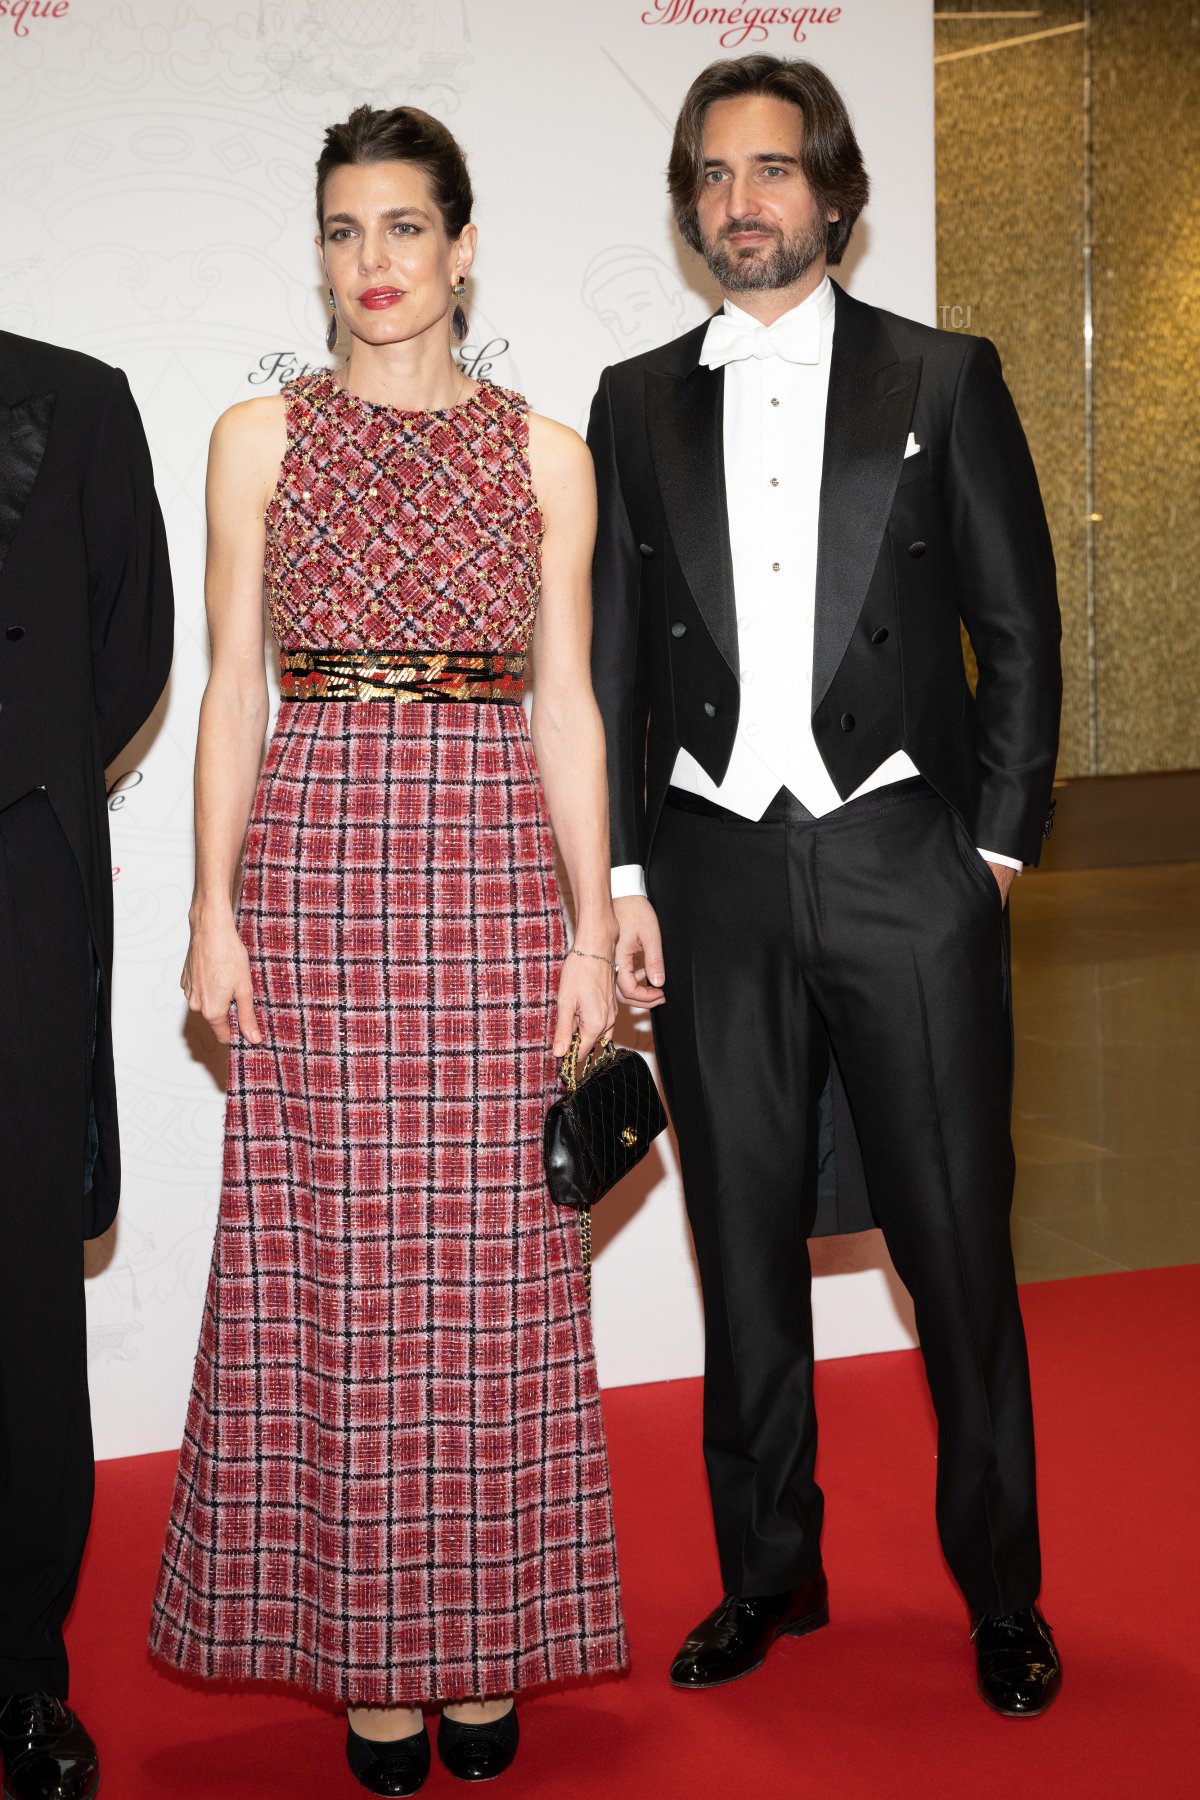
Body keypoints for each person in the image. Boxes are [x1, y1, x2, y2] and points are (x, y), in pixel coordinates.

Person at [148, 105, 627, 1794]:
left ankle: (484, 1644)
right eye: (347, 229)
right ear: (322, 247)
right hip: (318, 880)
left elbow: (567, 704)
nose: (375, 264)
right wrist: (210, 909)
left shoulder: (547, 454)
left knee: (495, 1279)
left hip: (497, 881)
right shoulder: (255, 439)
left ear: (464, 244)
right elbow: (229, 694)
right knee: (340, 1279)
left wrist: (589, 925)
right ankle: (368, 1658)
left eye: (407, 228)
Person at [588, 54, 1064, 1717]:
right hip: (711, 877)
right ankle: (768, 1575)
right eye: (715, 178)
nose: (743, 204)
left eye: (774, 172)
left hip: (899, 864)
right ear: (690, 206)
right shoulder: (635, 399)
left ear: (835, 198)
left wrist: (989, 852)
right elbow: (607, 665)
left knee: (956, 1249)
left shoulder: (944, 374)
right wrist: (630, 872)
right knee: (742, 1243)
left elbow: (1017, 633)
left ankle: (1002, 1590)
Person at [0, 333, 173, 1800]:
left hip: (17, 898)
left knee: (17, 1306)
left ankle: (18, 1676)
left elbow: (130, 655)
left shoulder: (76, 399)